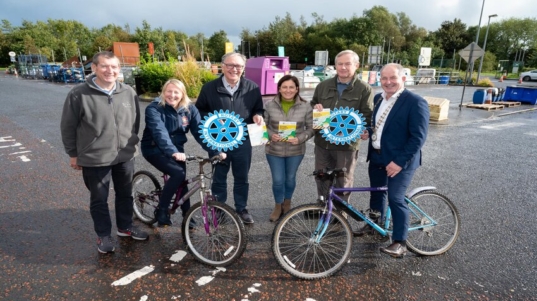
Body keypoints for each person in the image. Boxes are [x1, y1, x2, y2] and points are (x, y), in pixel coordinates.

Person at [60, 51, 148, 254]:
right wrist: (73, 154)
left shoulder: (128, 92)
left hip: (125, 154)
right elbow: (68, 126)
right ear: (94, 68)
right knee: (99, 198)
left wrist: (131, 142)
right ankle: (103, 235)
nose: (110, 71)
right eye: (105, 66)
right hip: (95, 157)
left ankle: (125, 227)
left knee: (125, 194)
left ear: (119, 69)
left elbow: (135, 121)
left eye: (114, 67)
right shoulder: (79, 93)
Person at [356, 63, 430, 258]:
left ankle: (400, 242)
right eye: (384, 79)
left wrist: (399, 162)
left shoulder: (415, 102)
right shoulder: (379, 98)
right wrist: (367, 132)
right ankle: (374, 225)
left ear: (403, 78)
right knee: (376, 194)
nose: (388, 82)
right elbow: (379, 126)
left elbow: (418, 138)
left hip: (400, 160)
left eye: (392, 78)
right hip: (378, 156)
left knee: (395, 198)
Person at [141, 79, 225, 227]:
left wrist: (215, 150)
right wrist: (173, 152)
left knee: (182, 180)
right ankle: (162, 210)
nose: (172, 95)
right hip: (154, 148)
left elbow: (201, 132)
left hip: (177, 149)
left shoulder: (189, 109)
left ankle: (187, 216)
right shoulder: (154, 109)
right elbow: (159, 133)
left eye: (176, 92)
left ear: (182, 94)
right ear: (163, 92)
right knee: (178, 173)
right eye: (169, 91)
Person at [195, 52, 264, 224]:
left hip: (243, 141)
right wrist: (214, 123)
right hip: (219, 141)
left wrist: (258, 115)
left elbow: (259, 109)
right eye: (230, 65)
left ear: (243, 68)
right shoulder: (209, 88)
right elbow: (199, 112)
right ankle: (218, 209)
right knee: (219, 178)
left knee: (242, 178)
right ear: (223, 66)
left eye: (239, 66)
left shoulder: (252, 88)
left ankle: (241, 208)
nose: (234, 69)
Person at [311, 50, 374, 201]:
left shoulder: (364, 89)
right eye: (340, 64)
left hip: (347, 145)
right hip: (323, 143)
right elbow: (313, 104)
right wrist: (314, 108)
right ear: (335, 65)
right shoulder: (323, 86)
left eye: (348, 64)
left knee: (343, 181)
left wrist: (361, 131)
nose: (343, 67)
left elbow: (366, 115)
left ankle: (341, 215)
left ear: (356, 65)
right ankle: (323, 209)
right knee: (322, 177)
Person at [264, 75, 314, 222]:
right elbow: (263, 126)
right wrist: (271, 134)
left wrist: (300, 138)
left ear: (297, 88)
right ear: (279, 88)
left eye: (291, 87)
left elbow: (311, 128)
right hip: (274, 149)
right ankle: (278, 205)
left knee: (290, 178)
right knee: (278, 180)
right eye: (284, 87)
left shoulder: (306, 106)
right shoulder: (269, 105)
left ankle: (287, 203)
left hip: (296, 150)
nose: (288, 90)